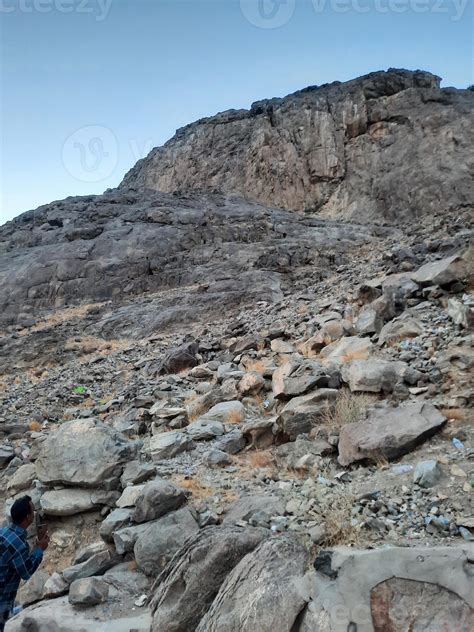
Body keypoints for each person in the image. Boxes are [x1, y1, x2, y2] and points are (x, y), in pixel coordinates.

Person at [0, 496, 49, 631]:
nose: (34, 513)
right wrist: (40, 549)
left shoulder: (3, 532)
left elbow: (14, 560)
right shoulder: (19, 544)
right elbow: (26, 572)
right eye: (33, 511)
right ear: (27, 517)